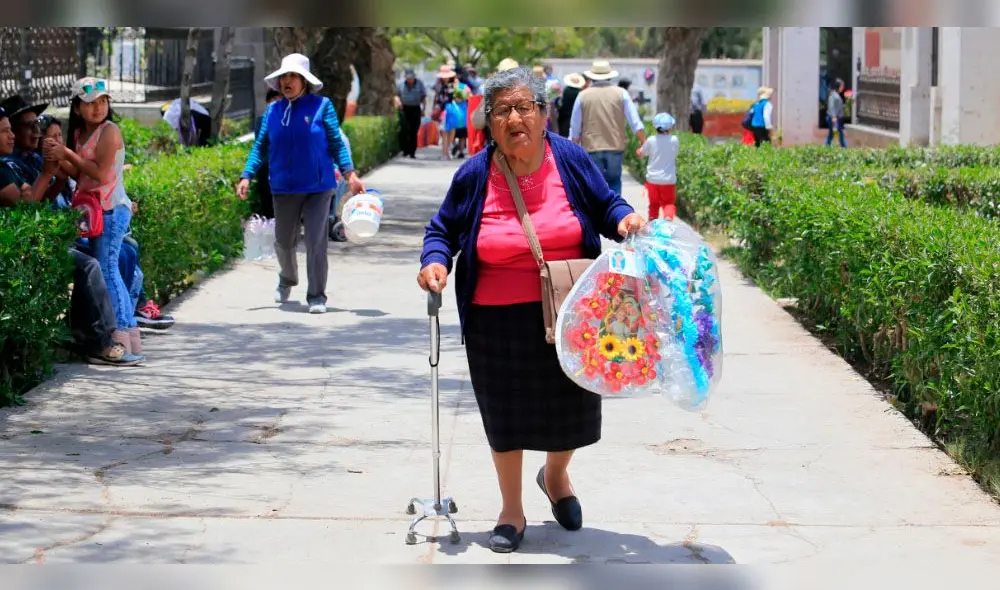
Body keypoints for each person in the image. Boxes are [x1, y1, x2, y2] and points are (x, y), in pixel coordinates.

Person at [417, 66, 644, 554]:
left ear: (543, 114)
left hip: (570, 313)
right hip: (493, 318)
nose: (514, 117)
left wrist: (625, 219)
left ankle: (556, 476)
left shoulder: (570, 160)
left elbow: (607, 205)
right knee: (506, 415)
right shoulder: (475, 174)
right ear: (489, 122)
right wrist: (435, 263)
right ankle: (511, 509)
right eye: (502, 110)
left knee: (571, 414)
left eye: (524, 107)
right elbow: (442, 230)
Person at [236, 53, 363, 314]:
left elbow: (337, 142)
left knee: (316, 241)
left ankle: (316, 296)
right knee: (283, 241)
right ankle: (287, 279)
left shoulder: (322, 106)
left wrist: (349, 173)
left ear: (304, 81)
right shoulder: (273, 111)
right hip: (283, 187)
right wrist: (246, 175)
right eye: (284, 76)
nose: (287, 81)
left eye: (293, 76)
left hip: (318, 187)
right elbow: (260, 146)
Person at [42, 78, 142, 354]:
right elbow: (82, 175)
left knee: (108, 268)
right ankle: (125, 332)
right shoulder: (79, 135)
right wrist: (59, 162)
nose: (98, 108)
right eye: (90, 103)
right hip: (95, 211)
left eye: (102, 101)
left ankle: (123, 332)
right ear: (77, 108)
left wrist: (67, 154)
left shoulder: (109, 131)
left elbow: (99, 174)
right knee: (107, 268)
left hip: (112, 210)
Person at [569, 60, 647, 195]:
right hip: (615, 146)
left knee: (594, 184)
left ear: (592, 76)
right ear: (610, 75)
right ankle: (616, 214)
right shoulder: (621, 93)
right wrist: (643, 142)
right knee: (614, 182)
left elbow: (575, 128)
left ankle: (597, 215)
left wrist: (572, 149)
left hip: (591, 147)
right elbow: (635, 122)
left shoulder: (582, 96)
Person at [636, 112, 680, 221]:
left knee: (654, 204)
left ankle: (652, 223)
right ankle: (668, 219)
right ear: (670, 128)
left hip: (653, 180)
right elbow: (676, 153)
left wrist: (639, 151)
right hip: (668, 180)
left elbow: (642, 153)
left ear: (655, 127)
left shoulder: (651, 140)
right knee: (668, 203)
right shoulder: (674, 140)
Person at [396, 69, 426, 159]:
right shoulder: (401, 84)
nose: (410, 80)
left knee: (414, 131)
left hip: (415, 108)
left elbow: (423, 96)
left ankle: (412, 152)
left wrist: (423, 108)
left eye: (411, 78)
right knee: (404, 130)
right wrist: (398, 102)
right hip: (405, 108)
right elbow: (396, 95)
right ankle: (405, 151)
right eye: (408, 78)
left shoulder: (419, 84)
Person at [557, 73, 585, 138]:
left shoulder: (566, 90)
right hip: (575, 116)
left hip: (565, 117)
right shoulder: (579, 92)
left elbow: (562, 105)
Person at [826, 78, 847, 148]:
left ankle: (826, 147)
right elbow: (831, 106)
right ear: (839, 86)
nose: (843, 87)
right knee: (840, 134)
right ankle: (844, 148)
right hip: (834, 119)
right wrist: (834, 117)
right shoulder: (833, 95)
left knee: (831, 135)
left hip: (836, 118)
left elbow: (838, 107)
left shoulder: (837, 95)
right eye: (842, 86)